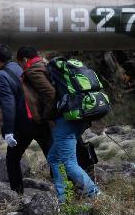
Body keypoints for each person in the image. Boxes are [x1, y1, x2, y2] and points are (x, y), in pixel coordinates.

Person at [16, 48, 100, 203]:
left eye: (20, 63)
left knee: (69, 163)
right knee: (54, 158)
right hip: (76, 118)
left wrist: (49, 117)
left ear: (24, 60)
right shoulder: (45, 65)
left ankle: (96, 195)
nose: (20, 66)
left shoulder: (34, 71)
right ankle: (63, 198)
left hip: (62, 121)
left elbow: (50, 94)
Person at [0, 44, 52, 194]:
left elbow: (8, 105)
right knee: (53, 156)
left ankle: (17, 194)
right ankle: (65, 187)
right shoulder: (22, 67)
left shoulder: (0, 76)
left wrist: (9, 131)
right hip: (41, 118)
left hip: (24, 124)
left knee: (12, 159)